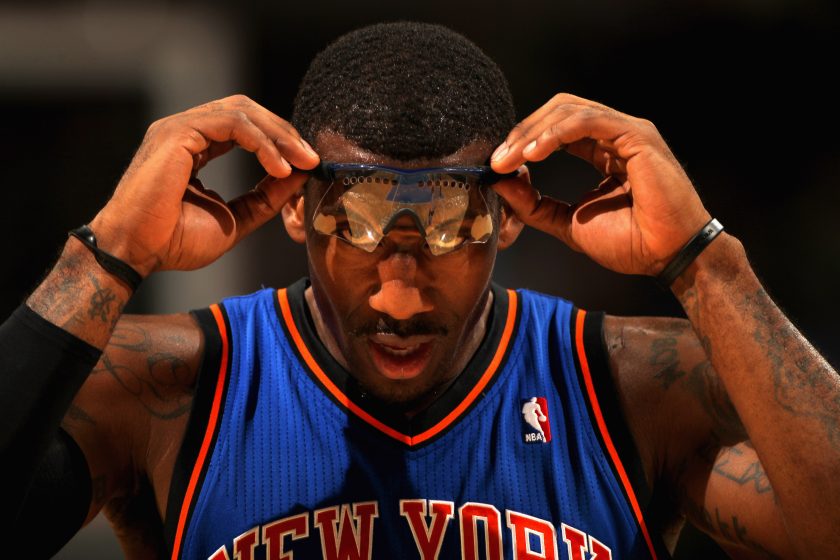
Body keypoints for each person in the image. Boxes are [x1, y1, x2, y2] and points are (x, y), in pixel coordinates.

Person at [3, 21, 839, 559]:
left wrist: (705, 263)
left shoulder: (634, 385)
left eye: (449, 234)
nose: (399, 300)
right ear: (296, 209)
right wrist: (104, 256)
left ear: (509, 216)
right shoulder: (172, 386)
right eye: (357, 229)